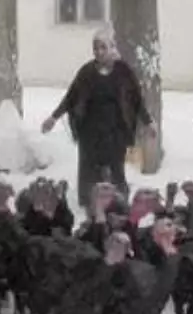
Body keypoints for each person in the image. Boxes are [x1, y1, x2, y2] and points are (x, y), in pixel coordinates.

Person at [41, 29, 157, 207]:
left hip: (115, 131)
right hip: (90, 131)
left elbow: (136, 100)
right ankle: (90, 206)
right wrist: (53, 117)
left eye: (103, 47)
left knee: (116, 170)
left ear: (112, 47)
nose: (99, 52)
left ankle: (119, 203)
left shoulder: (123, 71)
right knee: (89, 171)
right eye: (96, 48)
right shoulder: (87, 72)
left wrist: (148, 122)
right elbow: (71, 97)